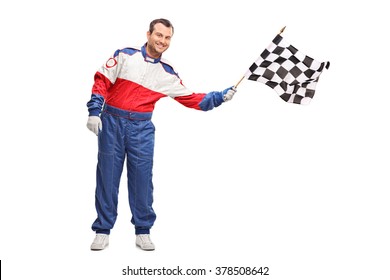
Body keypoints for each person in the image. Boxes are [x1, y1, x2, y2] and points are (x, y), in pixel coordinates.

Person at [86, 18, 236, 251]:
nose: (162, 41)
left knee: (142, 180)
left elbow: (192, 98)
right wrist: (95, 110)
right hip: (112, 123)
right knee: (107, 177)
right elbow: (102, 80)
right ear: (148, 34)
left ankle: (143, 231)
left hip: (141, 129)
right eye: (159, 35)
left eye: (167, 38)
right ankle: (103, 230)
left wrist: (219, 97)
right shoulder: (125, 55)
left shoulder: (168, 73)